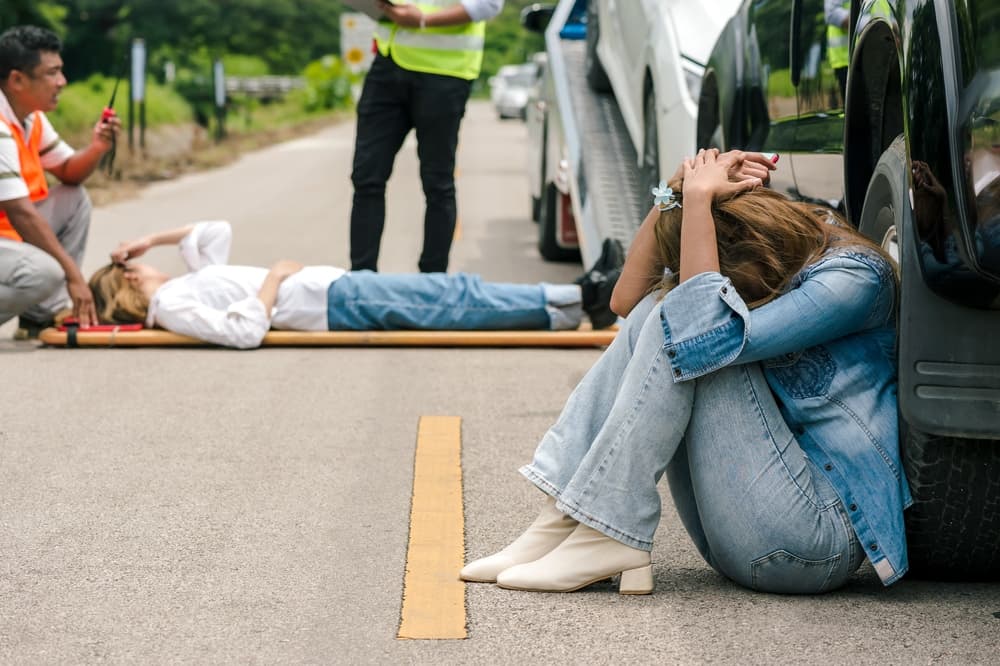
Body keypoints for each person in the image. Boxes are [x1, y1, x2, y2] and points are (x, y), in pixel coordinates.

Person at [460, 149, 910, 595]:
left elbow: (700, 330)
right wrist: (675, 193)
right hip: (743, 525)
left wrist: (698, 206)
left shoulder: (854, 278)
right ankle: (565, 517)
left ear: (759, 251)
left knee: (689, 326)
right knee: (660, 311)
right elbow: (623, 302)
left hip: (811, 541)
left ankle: (608, 530)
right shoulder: (778, 249)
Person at [87, 221, 623, 349]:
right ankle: (580, 296)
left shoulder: (182, 284)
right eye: (139, 264)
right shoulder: (173, 303)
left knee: (452, 298)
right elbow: (243, 331)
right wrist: (273, 279)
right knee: (453, 298)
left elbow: (213, 230)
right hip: (330, 300)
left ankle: (576, 300)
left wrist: (149, 240)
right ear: (131, 280)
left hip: (332, 289)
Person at [349, 0, 505, 273]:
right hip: (388, 64)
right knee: (366, 177)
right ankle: (362, 281)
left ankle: (431, 283)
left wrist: (423, 20)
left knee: (437, 183)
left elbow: (488, 5)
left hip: (445, 75)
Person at [0, 25, 121, 337]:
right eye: (52, 73)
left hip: (10, 240)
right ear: (17, 80)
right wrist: (73, 277)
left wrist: (97, 147)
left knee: (74, 198)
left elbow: (69, 171)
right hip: (11, 233)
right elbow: (21, 213)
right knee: (46, 272)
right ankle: (50, 296)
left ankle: (38, 315)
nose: (62, 82)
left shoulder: (30, 116)